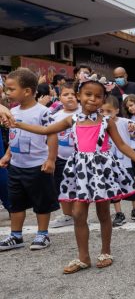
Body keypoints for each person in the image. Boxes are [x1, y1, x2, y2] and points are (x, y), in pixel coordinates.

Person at [11, 74, 135, 273]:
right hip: (80, 170)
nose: (92, 99)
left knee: (103, 212)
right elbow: (46, 130)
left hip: (101, 170)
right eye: (88, 94)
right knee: (78, 214)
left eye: (98, 96)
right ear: (79, 96)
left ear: (103, 100)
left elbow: (122, 145)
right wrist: (18, 124)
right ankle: (83, 257)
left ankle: (106, 251)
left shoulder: (107, 122)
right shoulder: (72, 119)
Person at [0, 68, 59, 252]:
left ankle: (42, 234)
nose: (7, 92)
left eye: (11, 89)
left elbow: (52, 135)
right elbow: (14, 135)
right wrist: (8, 154)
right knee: (15, 203)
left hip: (37, 166)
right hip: (16, 166)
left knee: (41, 203)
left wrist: (51, 159)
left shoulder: (43, 112)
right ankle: (16, 235)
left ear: (27, 91)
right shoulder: (12, 111)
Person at [102, 96, 135, 226]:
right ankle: (119, 213)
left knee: (132, 187)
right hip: (109, 162)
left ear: (117, 110)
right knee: (114, 189)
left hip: (125, 161)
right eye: (102, 111)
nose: (105, 114)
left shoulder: (125, 121)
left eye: (109, 111)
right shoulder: (100, 124)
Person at [48, 83, 81, 228]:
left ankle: (79, 214)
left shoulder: (84, 112)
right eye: (66, 94)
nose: (70, 97)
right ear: (59, 97)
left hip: (82, 158)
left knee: (80, 187)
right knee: (63, 187)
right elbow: (50, 137)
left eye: (73, 94)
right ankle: (68, 216)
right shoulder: (55, 116)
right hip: (61, 159)